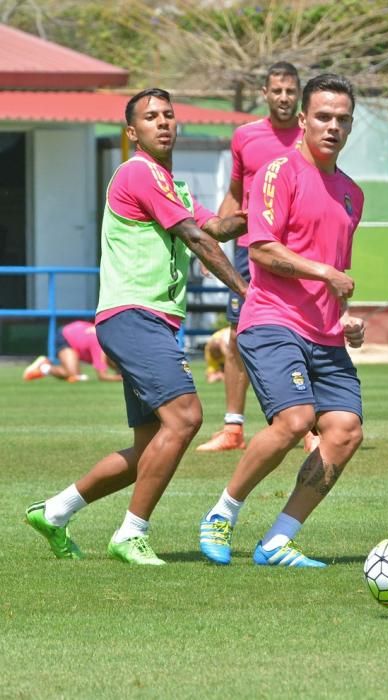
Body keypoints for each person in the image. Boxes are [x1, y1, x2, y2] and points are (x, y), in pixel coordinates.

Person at [25, 87, 248, 566]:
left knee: (149, 449)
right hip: (134, 315)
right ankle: (131, 534)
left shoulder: (175, 187)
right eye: (151, 117)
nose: (163, 122)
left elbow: (217, 228)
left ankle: (55, 511)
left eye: (168, 115)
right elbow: (193, 237)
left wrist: (266, 216)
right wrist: (245, 291)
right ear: (133, 132)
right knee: (186, 418)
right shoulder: (137, 172)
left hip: (149, 321)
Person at [199, 73, 365, 568]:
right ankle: (222, 514)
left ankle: (277, 540)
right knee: (295, 420)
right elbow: (264, 250)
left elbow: (334, 273)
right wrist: (325, 273)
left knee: (345, 430)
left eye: (342, 119)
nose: (332, 126)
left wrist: (347, 320)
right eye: (323, 117)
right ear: (303, 120)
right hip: (271, 321)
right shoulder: (278, 172)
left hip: (325, 333)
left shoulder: (353, 194)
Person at [197, 61, 306, 452]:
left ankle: (307, 428)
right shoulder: (245, 136)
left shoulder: (310, 134)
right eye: (277, 90)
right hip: (249, 251)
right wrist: (211, 243)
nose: (283, 97)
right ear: (265, 93)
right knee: (238, 334)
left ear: (299, 93)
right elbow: (235, 190)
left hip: (297, 251)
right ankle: (233, 428)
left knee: (302, 331)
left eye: (290, 90)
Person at [22, 320, 122, 382]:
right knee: (72, 374)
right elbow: (102, 376)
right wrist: (121, 378)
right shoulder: (99, 347)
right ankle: (44, 366)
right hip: (65, 336)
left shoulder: (106, 342)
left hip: (78, 331)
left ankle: (47, 366)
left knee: (76, 376)